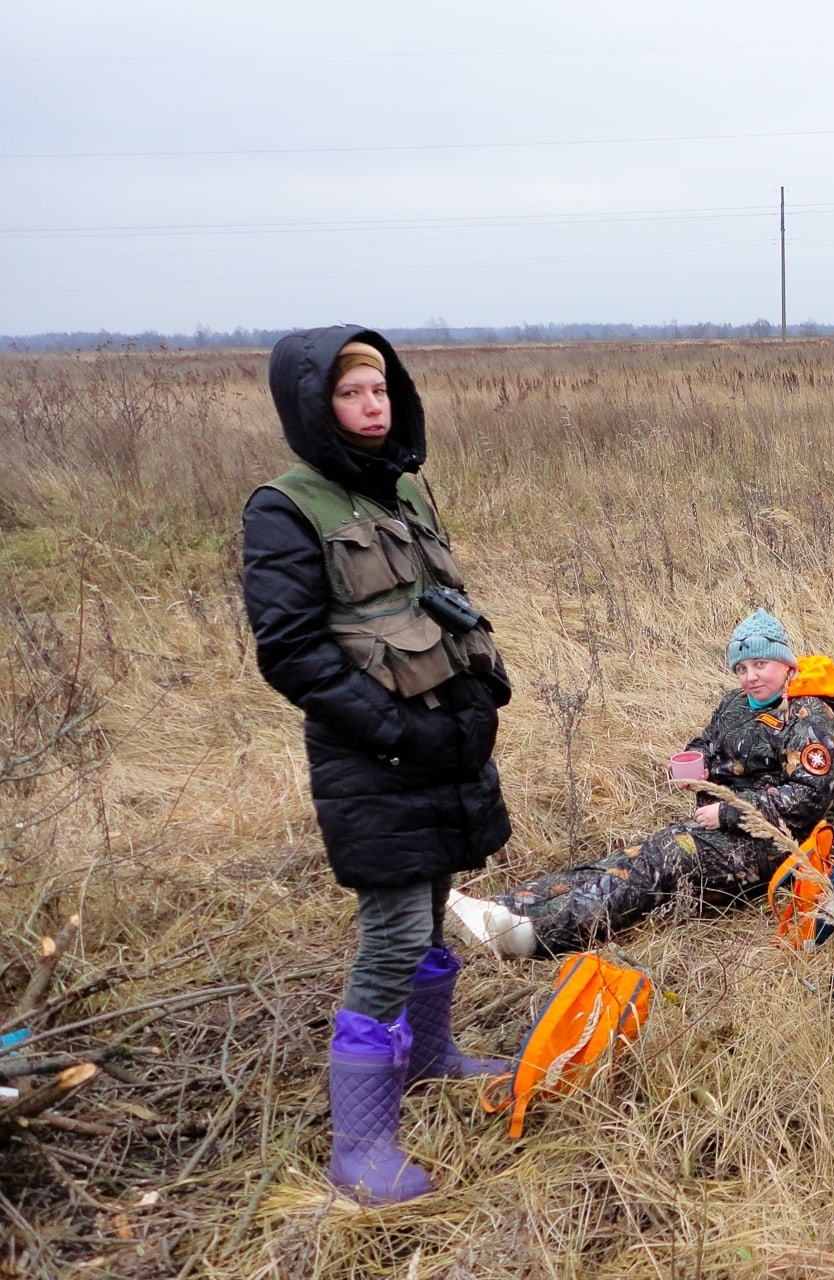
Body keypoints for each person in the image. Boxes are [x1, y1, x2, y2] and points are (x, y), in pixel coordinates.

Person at [242, 327, 513, 1206]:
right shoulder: (284, 508)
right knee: (393, 932)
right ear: (314, 407)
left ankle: (431, 1057)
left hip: (440, 738)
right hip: (373, 755)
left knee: (433, 900)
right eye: (352, 395)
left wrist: (479, 693)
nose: (371, 407)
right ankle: (359, 1145)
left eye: (381, 392)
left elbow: (437, 602)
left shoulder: (401, 487)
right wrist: (394, 730)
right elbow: (291, 653)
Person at [447, 609, 834, 957]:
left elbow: (810, 796)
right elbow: (705, 741)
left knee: (662, 860)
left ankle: (533, 935)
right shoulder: (735, 704)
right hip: (713, 825)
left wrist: (726, 811)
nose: (750, 677)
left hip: (772, 845)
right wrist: (698, 763)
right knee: (625, 860)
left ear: (787, 665)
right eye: (741, 668)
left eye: (760, 664)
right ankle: (502, 909)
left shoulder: (810, 717)